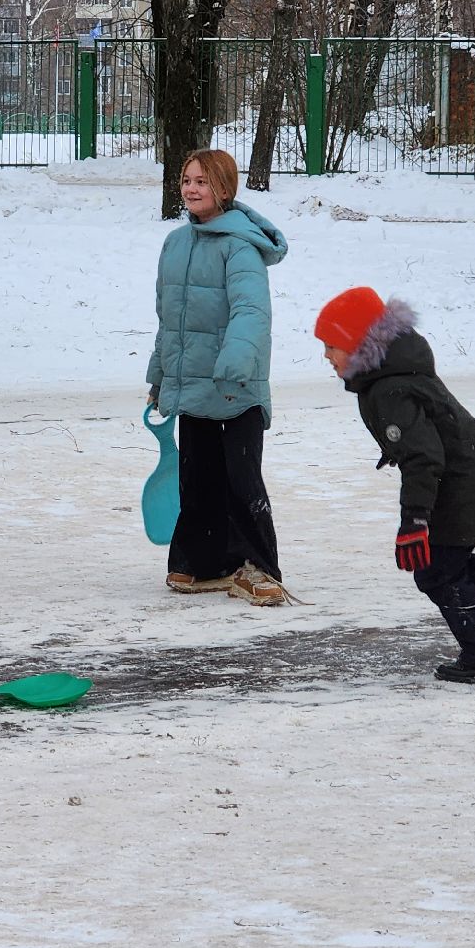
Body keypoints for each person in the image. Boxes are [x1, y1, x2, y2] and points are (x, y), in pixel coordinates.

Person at [314, 288, 475, 682]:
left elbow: (423, 458)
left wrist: (415, 520)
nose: (326, 356)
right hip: (468, 476)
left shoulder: (389, 389)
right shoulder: (391, 374)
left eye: (332, 346)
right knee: (446, 565)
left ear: (358, 343)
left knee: (437, 573)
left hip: (462, 486)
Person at [146, 148, 292, 607]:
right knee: (198, 476)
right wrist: (159, 375)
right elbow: (170, 322)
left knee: (241, 480)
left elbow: (251, 312)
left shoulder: (239, 247)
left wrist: (235, 365)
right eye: (187, 180)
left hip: (234, 387)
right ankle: (203, 561)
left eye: (202, 181)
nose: (191, 189)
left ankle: (257, 567)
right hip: (193, 383)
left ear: (224, 189)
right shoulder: (176, 244)